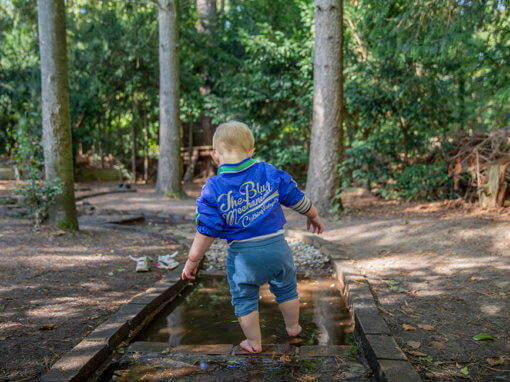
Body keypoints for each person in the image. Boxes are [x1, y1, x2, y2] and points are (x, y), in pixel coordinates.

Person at [181, 121, 324, 353]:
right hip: (278, 248)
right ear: (251, 151)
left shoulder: (214, 187)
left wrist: (193, 259)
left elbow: (206, 229)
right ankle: (293, 327)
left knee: (244, 299)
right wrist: (313, 214)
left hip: (242, 257)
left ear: (214, 155)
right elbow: (294, 195)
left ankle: (254, 343)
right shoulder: (268, 172)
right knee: (287, 289)